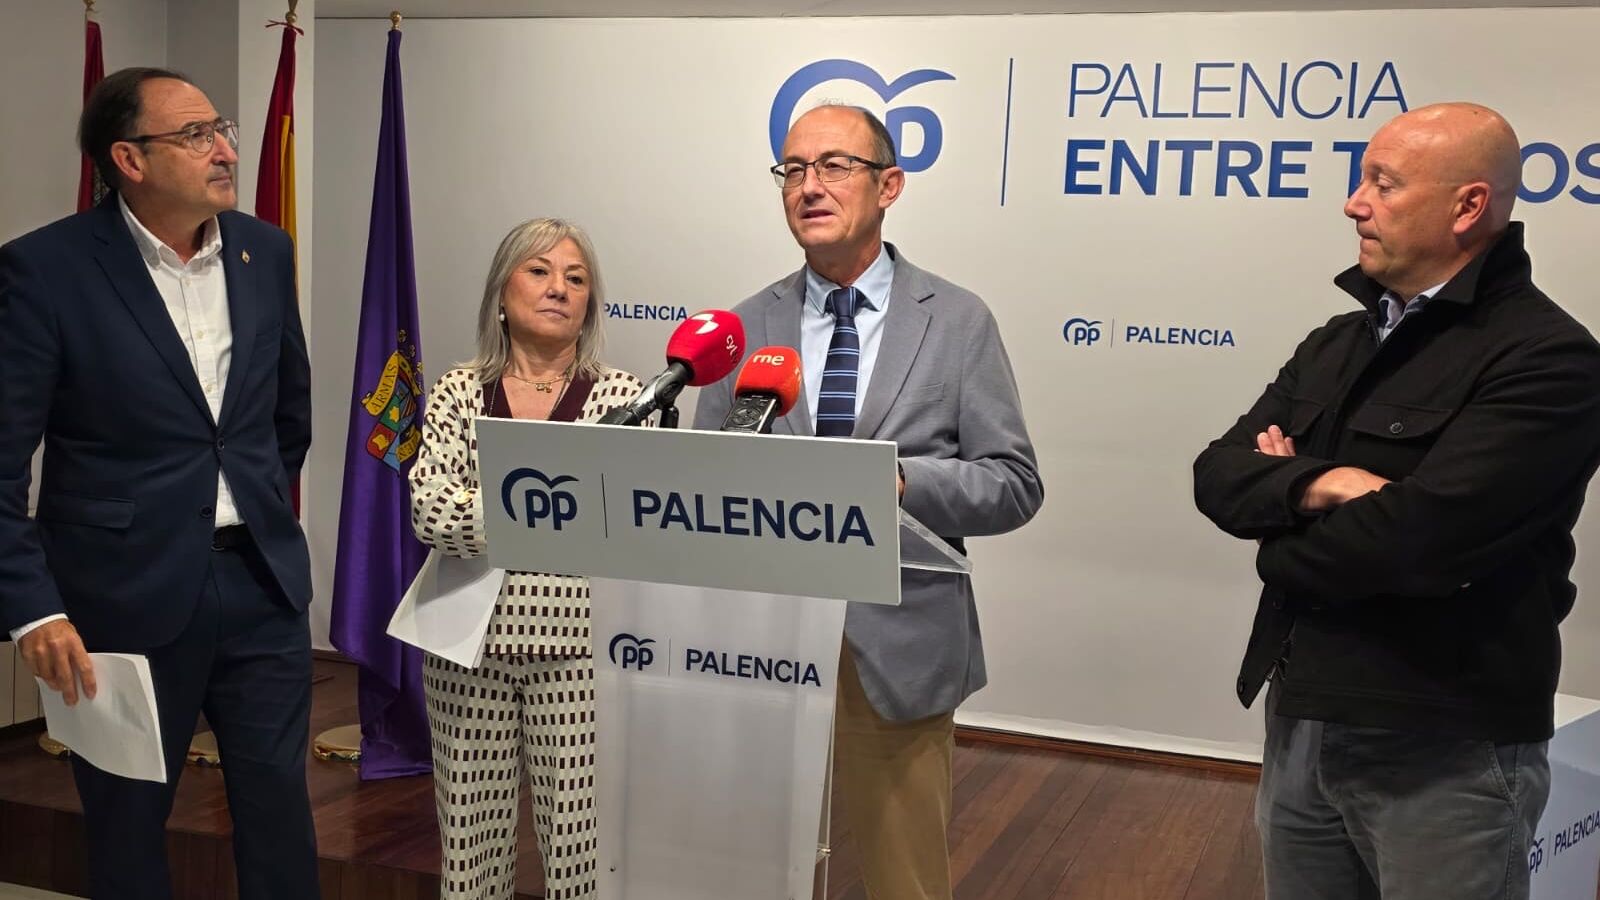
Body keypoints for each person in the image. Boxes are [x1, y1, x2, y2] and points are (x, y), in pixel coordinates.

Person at [1193, 102, 1600, 900]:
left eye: (1383, 183)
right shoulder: (1336, 342)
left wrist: (1278, 530)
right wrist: (1328, 483)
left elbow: (1418, 543)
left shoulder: (1549, 358)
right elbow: (1219, 475)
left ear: (1468, 206)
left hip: (1446, 745)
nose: (1354, 203)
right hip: (1302, 716)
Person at [692, 104, 1043, 900]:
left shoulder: (956, 322)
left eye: (833, 166)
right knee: (752, 873)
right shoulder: (744, 326)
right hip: (761, 645)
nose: (808, 186)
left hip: (900, 642)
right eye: (793, 170)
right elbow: (706, 485)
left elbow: (1014, 483)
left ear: (889, 185)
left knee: (903, 880)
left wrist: (901, 481)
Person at [0, 68, 317, 899]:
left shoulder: (263, 251)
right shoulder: (46, 270)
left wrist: (254, 509)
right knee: (129, 827)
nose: (225, 151)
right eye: (195, 136)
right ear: (129, 160)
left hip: (260, 585)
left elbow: (286, 418)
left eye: (222, 130)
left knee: (281, 818)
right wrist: (34, 607)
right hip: (119, 595)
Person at [409, 217, 647, 900]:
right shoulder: (458, 388)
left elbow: (626, 524)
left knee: (580, 851)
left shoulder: (624, 398)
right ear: (501, 292)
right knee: (470, 852)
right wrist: (554, 509)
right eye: (539, 271)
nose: (558, 288)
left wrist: (494, 505)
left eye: (576, 278)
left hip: (582, 652)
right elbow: (430, 511)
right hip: (465, 648)